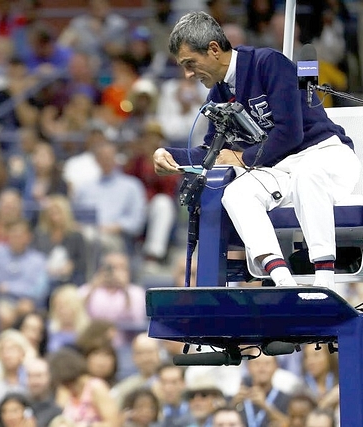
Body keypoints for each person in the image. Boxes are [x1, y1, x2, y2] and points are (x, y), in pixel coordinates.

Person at [153, 11, 361, 288]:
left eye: (190, 63)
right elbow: (213, 153)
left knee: (306, 176)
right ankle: (283, 280)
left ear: (213, 49)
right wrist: (167, 154)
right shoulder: (219, 93)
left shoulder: (269, 63)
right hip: (281, 170)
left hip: (325, 155)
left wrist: (242, 157)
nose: (188, 73)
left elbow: (290, 133)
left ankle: (324, 281)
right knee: (236, 193)